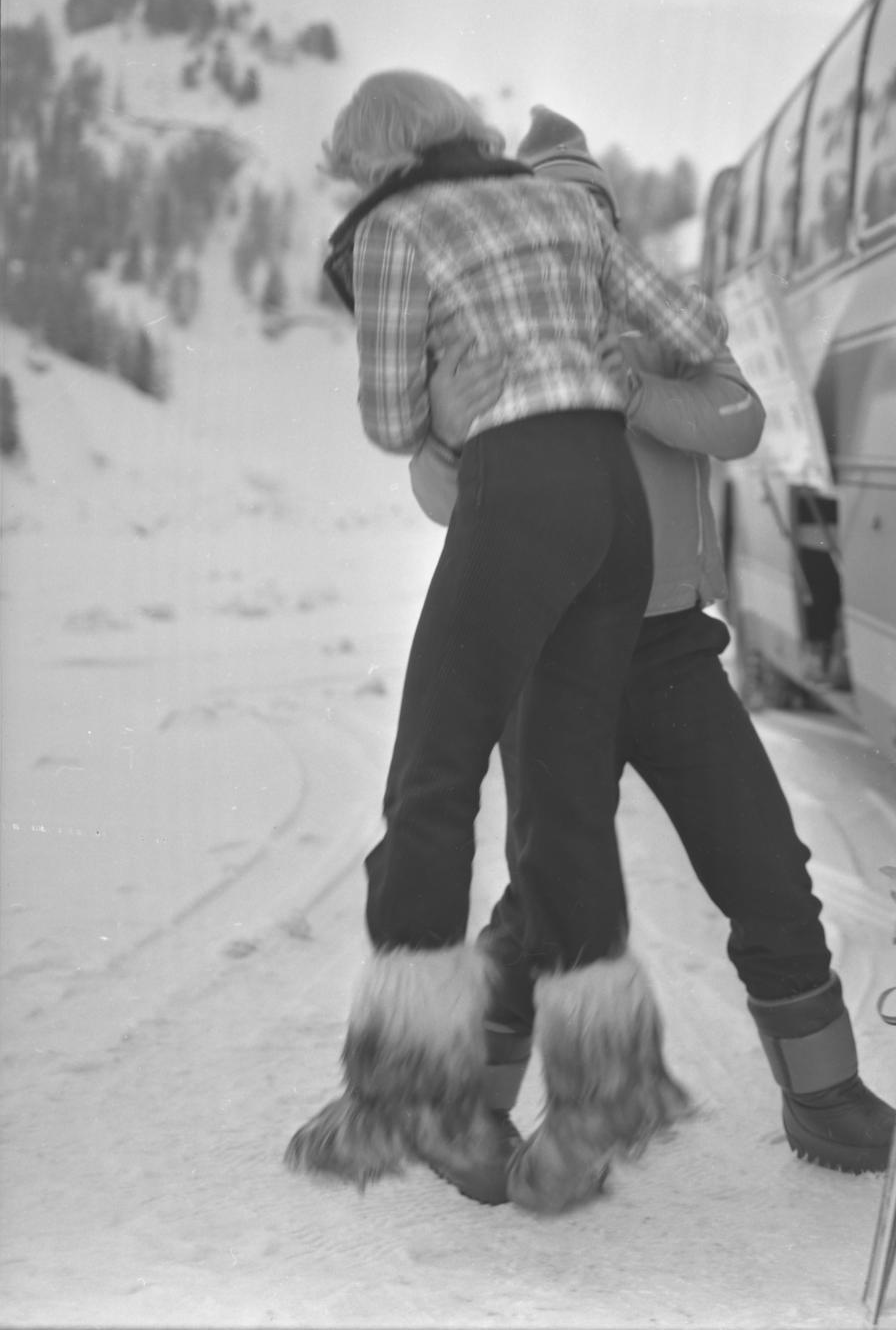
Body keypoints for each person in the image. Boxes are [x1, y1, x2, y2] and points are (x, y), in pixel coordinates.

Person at [411, 106, 896, 1184]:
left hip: (666, 652)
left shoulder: (659, 320)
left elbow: (742, 420)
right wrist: (457, 427)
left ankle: (826, 1097)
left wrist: (642, 392)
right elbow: (435, 493)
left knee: (765, 865)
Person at [285, 72, 727, 1215]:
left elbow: (393, 420)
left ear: (380, 160)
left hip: (517, 493)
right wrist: (594, 354)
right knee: (564, 805)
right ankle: (596, 1105)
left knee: (432, 779)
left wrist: (441, 388)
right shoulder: (564, 206)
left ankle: (414, 1097)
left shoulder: (393, 225)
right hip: (612, 508)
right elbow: (694, 330)